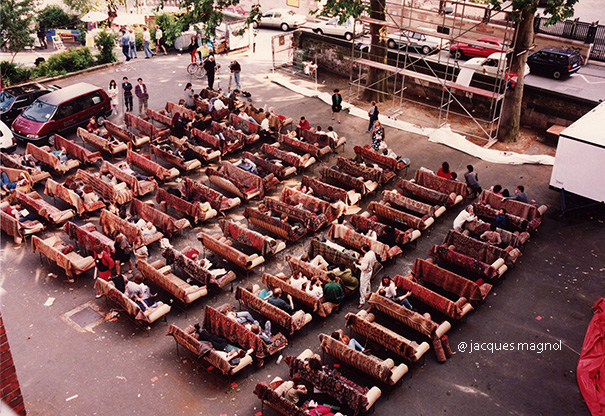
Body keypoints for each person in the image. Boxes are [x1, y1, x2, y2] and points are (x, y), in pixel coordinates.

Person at [357, 244, 377, 309]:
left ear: (364, 250)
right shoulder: (372, 252)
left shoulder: (366, 258)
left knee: (362, 287)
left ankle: (362, 301)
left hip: (365, 273)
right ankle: (369, 293)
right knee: (368, 282)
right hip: (370, 270)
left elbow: (363, 268)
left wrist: (357, 266)